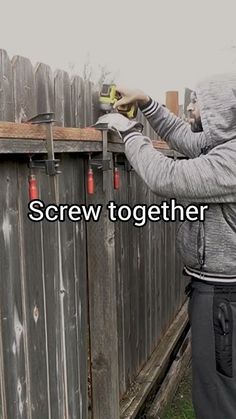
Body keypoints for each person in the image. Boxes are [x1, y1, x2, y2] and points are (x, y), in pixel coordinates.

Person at [95, 74, 236, 419]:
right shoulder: (224, 143)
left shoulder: (230, 161)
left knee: (218, 398)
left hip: (223, 297)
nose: (190, 105)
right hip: (218, 291)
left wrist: (129, 133)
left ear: (220, 110)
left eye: (198, 100)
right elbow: (186, 138)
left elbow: (165, 177)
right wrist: (146, 103)